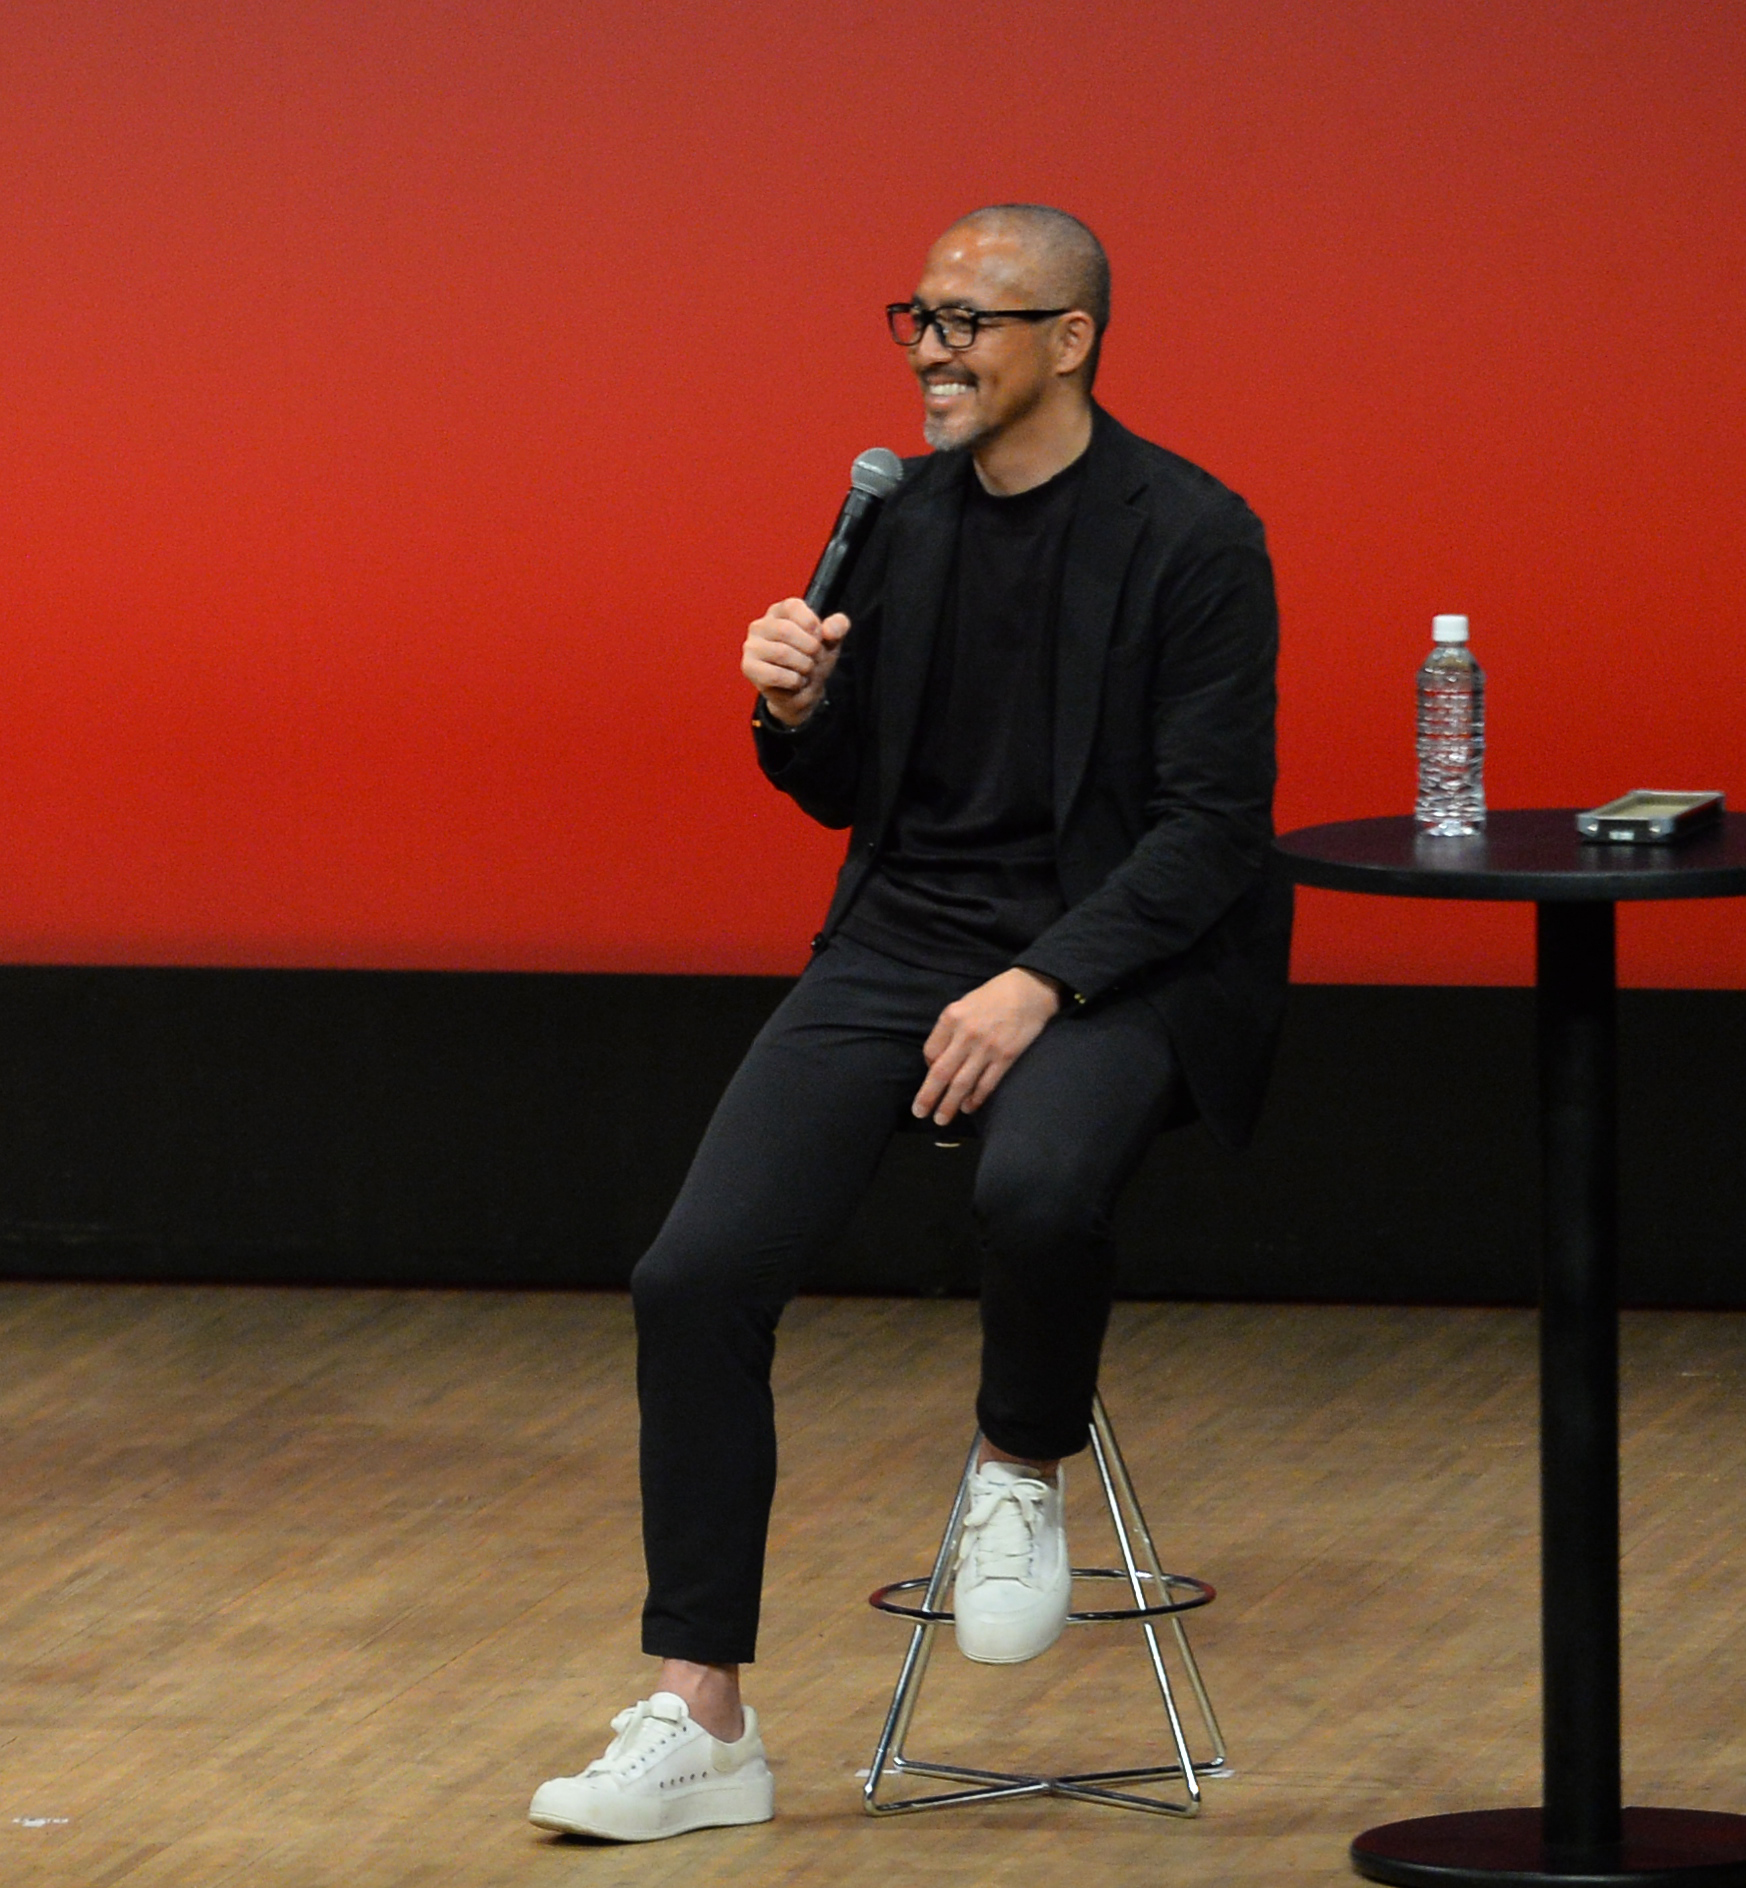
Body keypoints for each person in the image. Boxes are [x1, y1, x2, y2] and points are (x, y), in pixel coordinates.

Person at [529, 205, 1285, 1841]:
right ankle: (700, 1715)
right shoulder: (900, 514)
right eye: (917, 317)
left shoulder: (1192, 538)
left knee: (1036, 1184)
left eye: (972, 321)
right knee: (694, 1273)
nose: (933, 351)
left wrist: (1043, 982)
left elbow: (1213, 832)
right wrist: (792, 708)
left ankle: (1019, 1468)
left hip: (1121, 960)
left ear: (1071, 338)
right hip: (905, 942)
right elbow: (846, 791)